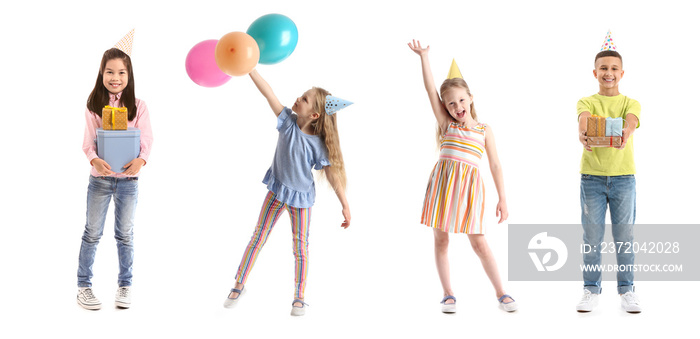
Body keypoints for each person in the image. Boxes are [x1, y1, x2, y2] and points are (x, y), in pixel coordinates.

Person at [223, 69, 351, 316]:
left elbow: (333, 175)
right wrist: (250, 69)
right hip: (277, 190)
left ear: (314, 114)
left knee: (300, 247)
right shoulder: (287, 121)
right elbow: (267, 92)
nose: (298, 99)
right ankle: (239, 283)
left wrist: (344, 204)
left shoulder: (318, 144)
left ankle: (299, 296)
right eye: (301, 95)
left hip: (301, 200)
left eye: (304, 99)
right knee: (258, 237)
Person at [408, 40, 517, 313]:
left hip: (469, 191)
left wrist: (503, 198)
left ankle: (501, 292)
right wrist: (424, 57)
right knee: (441, 240)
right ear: (445, 107)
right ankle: (448, 294)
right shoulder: (447, 125)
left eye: (461, 100)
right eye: (451, 103)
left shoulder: (483, 130)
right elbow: (429, 90)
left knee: (479, 243)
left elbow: (495, 165)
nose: (457, 106)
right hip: (443, 187)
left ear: (470, 98)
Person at [76, 31, 153, 310]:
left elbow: (146, 139)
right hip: (100, 180)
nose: (115, 78)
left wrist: (141, 160)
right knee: (92, 233)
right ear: (101, 72)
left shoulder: (138, 107)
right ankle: (83, 286)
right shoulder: (94, 107)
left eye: (121, 72)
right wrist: (95, 159)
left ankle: (125, 285)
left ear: (129, 75)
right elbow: (87, 142)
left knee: (125, 234)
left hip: (129, 181)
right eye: (110, 72)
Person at [576, 31, 641, 313]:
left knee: (624, 236)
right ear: (595, 72)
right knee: (592, 237)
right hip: (591, 178)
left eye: (614, 68)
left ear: (622, 73)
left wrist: (626, 129)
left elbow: (631, 120)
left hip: (624, 178)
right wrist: (584, 131)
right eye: (603, 68)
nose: (609, 73)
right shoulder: (587, 101)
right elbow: (584, 120)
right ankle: (591, 289)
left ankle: (627, 290)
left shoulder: (630, 102)